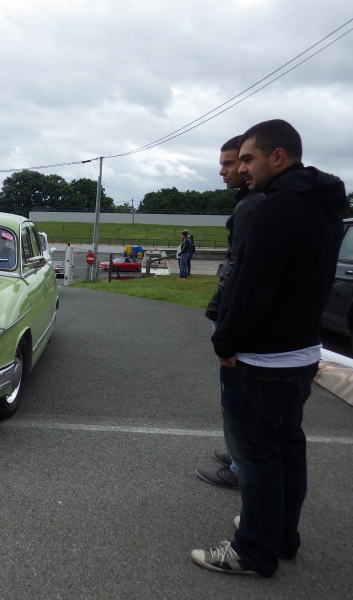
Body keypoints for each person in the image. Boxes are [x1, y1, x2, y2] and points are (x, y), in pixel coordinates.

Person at [191, 119, 346, 577]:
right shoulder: (326, 207)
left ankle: (253, 550)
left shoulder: (274, 209)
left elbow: (250, 286)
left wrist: (225, 341)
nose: (241, 168)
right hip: (301, 352)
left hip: (259, 358)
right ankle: (280, 537)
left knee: (257, 458)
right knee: (286, 450)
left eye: (248, 158)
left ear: (278, 156)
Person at [196, 135, 267, 490]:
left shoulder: (251, 205)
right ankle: (238, 455)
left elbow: (239, 267)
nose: (225, 171)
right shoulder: (250, 202)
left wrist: (219, 314)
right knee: (237, 394)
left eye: (230, 163)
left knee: (235, 394)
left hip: (233, 313)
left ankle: (241, 467)